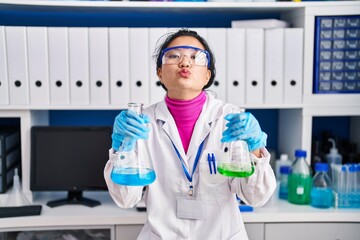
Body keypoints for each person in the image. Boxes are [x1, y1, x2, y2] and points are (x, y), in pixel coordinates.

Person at [104, 28, 276, 240]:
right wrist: (122, 149)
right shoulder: (140, 123)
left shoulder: (231, 119)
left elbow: (256, 197)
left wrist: (256, 149)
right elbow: (125, 199)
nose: (185, 63)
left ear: (207, 75)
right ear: (160, 73)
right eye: (174, 56)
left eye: (196, 57)